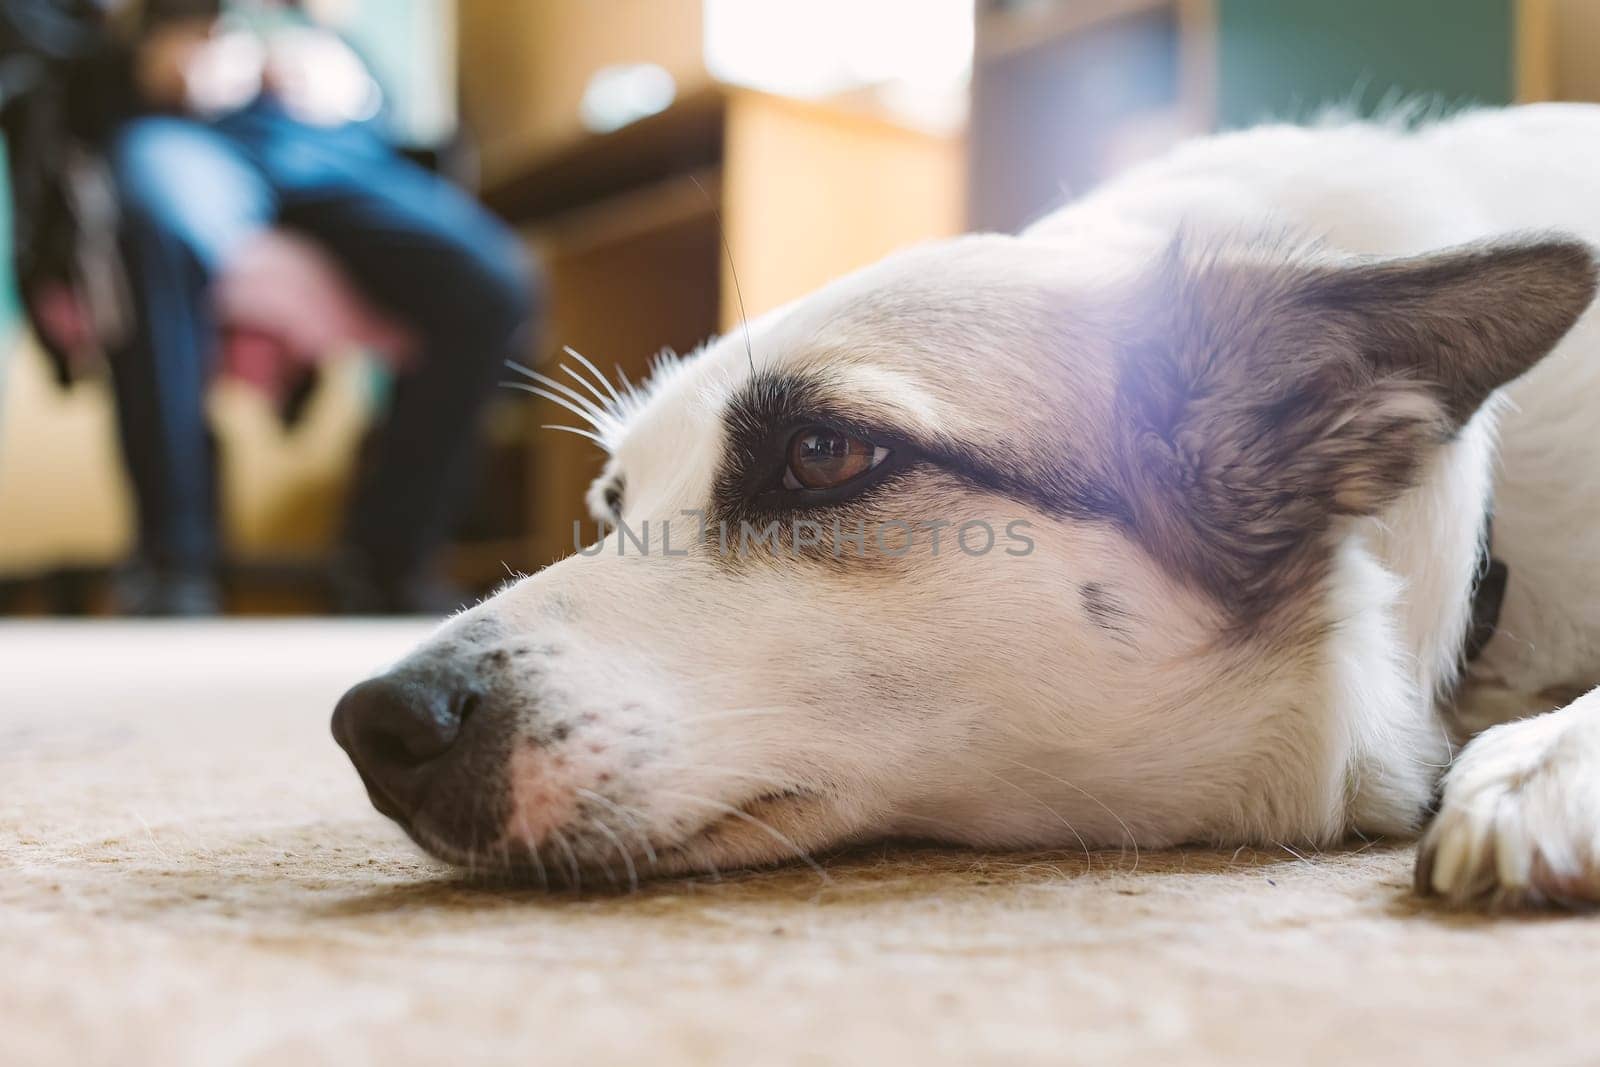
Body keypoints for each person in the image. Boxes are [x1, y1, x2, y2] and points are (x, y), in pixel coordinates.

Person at [28, 0, 536, 614]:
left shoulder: (321, 22)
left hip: (332, 152)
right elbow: (69, 88)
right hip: (192, 136)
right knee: (158, 228)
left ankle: (388, 562)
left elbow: (394, 117)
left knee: (493, 281)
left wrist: (356, 87)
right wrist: (151, 69)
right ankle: (175, 559)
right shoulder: (144, 20)